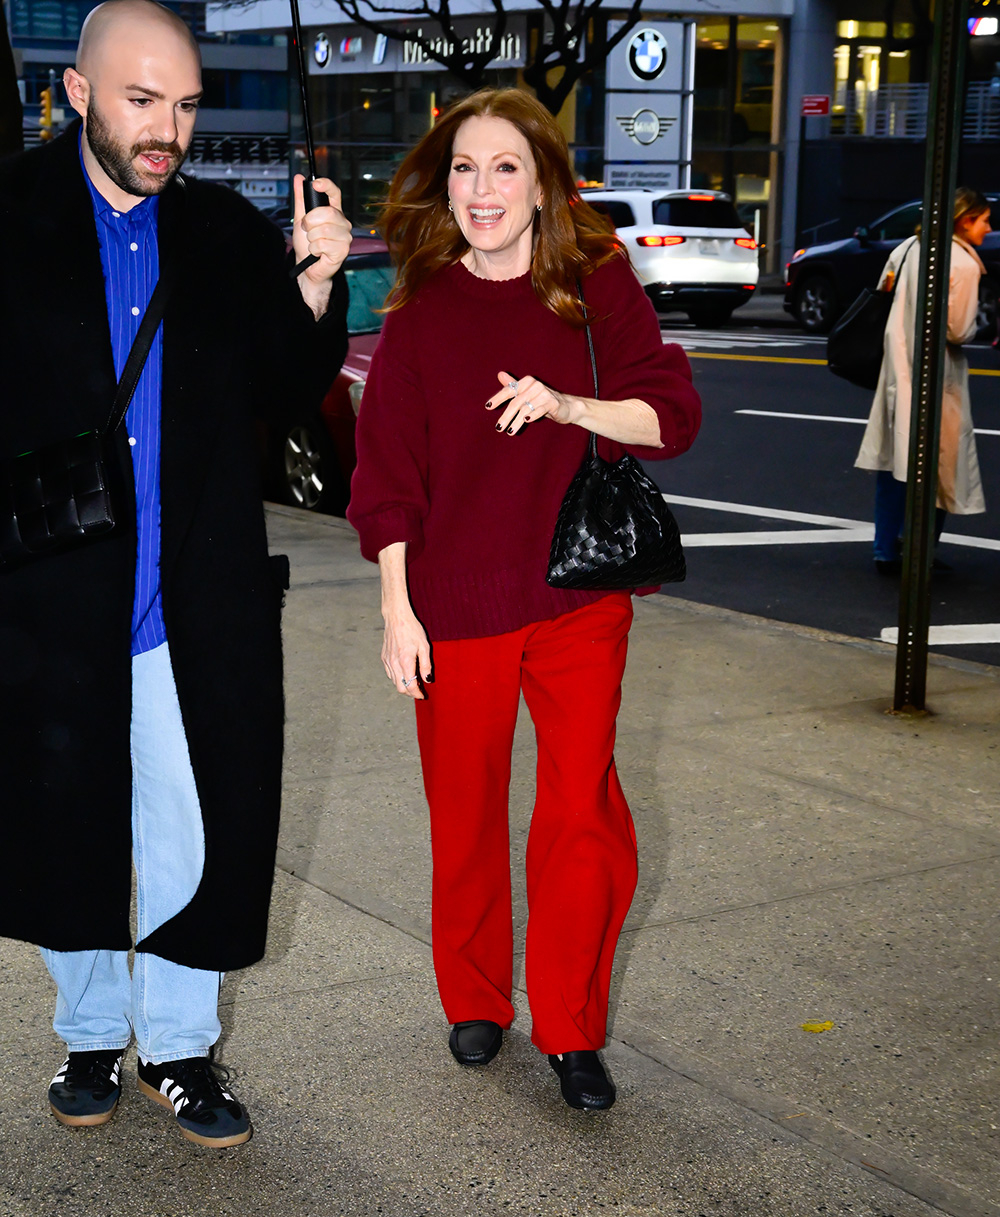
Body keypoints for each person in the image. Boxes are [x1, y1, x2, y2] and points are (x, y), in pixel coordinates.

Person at [0, 0, 351, 1146]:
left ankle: (183, 1047)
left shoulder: (223, 234)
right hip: (52, 598)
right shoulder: (12, 218)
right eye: (143, 100)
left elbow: (290, 385)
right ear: (78, 94)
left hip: (191, 603)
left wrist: (314, 285)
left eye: (188, 104)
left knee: (196, 835)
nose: (169, 129)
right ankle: (92, 1029)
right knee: (70, 822)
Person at [346, 88, 701, 1111]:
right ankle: (472, 997)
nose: (482, 188)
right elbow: (387, 479)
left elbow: (669, 414)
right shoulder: (418, 309)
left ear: (545, 184)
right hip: (453, 603)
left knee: (580, 814)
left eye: (505, 167)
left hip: (577, 593)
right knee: (463, 816)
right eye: (464, 167)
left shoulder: (594, 284)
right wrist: (395, 608)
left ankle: (573, 1026)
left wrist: (565, 404)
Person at [856, 187, 991, 573]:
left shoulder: (909, 248)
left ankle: (886, 548)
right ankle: (919, 551)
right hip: (937, 374)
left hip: (898, 366)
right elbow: (960, 330)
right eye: (983, 220)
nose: (988, 227)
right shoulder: (962, 264)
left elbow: (883, 293)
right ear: (965, 220)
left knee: (895, 461)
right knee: (939, 462)